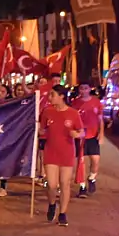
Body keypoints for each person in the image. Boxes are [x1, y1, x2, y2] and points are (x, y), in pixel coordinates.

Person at [40, 85, 84, 226]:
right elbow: (42, 130)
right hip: (51, 151)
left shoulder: (73, 113)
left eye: (53, 95)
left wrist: (76, 134)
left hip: (67, 152)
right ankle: (52, 204)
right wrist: (38, 131)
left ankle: (63, 213)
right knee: (52, 185)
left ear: (62, 96)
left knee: (65, 184)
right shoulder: (47, 112)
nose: (50, 97)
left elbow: (82, 131)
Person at [73, 81, 105, 198]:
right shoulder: (75, 103)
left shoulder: (96, 102)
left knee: (95, 160)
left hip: (93, 135)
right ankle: (82, 187)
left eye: (85, 88)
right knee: (81, 163)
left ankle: (91, 178)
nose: (83, 91)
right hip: (80, 136)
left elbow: (100, 119)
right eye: (81, 88)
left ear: (89, 89)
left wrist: (101, 134)